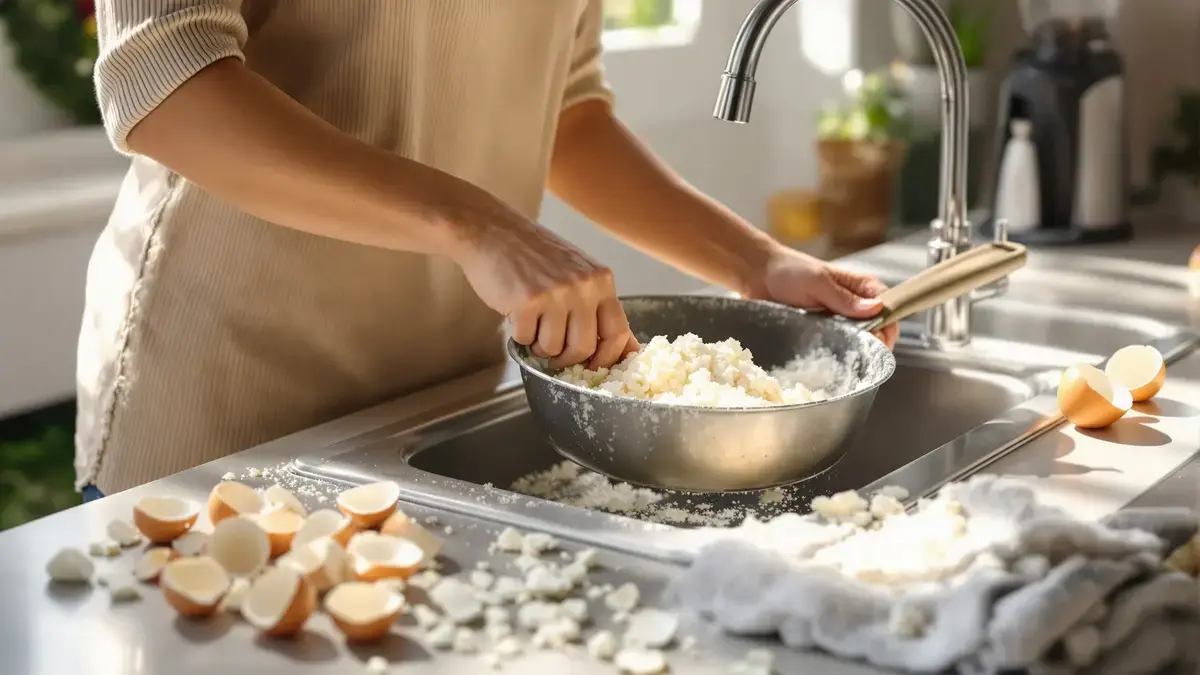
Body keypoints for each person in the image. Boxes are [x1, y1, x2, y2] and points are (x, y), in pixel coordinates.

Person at [75, 1, 898, 502]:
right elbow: (167, 81)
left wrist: (755, 264)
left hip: (431, 417)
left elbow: (565, 111)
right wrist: (477, 223)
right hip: (223, 409)